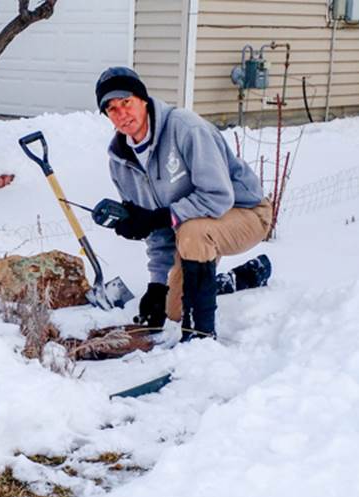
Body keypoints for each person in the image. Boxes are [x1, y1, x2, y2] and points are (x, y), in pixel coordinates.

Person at [96, 66, 273, 339]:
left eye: (126, 103)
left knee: (193, 233)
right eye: (112, 109)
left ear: (142, 99)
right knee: (173, 309)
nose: (122, 114)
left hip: (245, 212)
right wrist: (157, 286)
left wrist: (160, 218)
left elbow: (218, 197)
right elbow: (157, 230)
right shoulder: (121, 163)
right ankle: (239, 278)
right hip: (192, 228)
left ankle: (200, 334)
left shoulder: (186, 128)